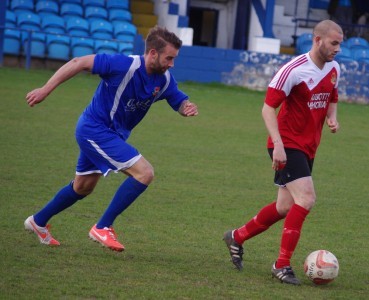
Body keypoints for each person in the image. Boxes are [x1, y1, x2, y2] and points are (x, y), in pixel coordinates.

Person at [24, 26, 198, 252]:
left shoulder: (163, 80)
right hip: (95, 130)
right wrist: (45, 89)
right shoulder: (122, 65)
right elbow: (79, 62)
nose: (172, 64)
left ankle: (37, 221)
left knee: (83, 187)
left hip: (110, 135)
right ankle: (103, 226)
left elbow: (178, 100)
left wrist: (186, 108)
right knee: (145, 173)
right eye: (169, 58)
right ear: (153, 53)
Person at [223, 20, 343, 285]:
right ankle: (281, 264)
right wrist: (277, 144)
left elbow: (332, 96)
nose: (338, 49)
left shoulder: (334, 68)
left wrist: (332, 118)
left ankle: (237, 236)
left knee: (284, 206)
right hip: (286, 144)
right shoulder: (293, 70)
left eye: (340, 44)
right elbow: (267, 108)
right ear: (317, 40)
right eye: (334, 43)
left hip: (309, 146)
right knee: (307, 198)